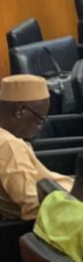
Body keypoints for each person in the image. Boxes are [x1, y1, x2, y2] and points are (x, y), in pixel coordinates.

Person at [0, 75, 73, 221]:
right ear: (20, 111)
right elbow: (33, 206)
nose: (41, 126)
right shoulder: (9, 146)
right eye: (40, 118)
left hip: (60, 193)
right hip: (64, 209)